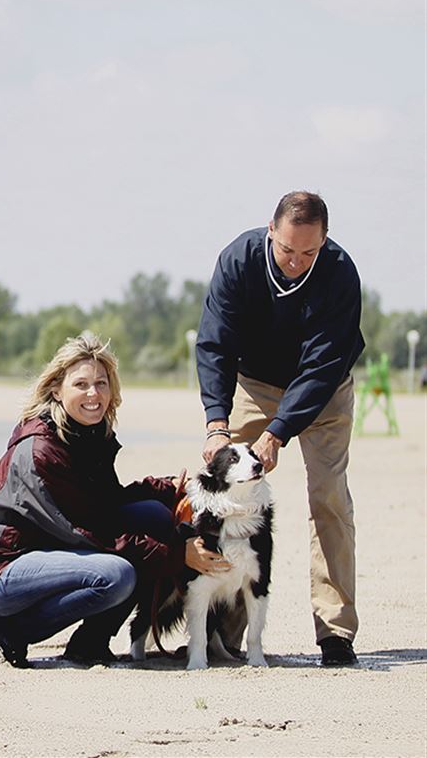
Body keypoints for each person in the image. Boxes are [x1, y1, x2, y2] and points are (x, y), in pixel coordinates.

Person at [0, 334, 227, 667]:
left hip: (49, 546)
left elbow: (104, 504)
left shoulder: (89, 432)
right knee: (117, 574)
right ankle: (9, 632)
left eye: (101, 383)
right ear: (57, 389)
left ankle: (89, 645)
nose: (93, 394)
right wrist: (177, 555)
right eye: (81, 384)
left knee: (155, 517)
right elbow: (93, 534)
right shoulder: (43, 450)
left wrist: (163, 489)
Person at [196, 190, 364, 667]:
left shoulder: (340, 272)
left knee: (328, 495)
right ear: (271, 232)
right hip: (255, 382)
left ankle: (335, 632)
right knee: (226, 493)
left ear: (324, 242)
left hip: (324, 390)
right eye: (287, 250)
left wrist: (279, 433)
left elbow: (322, 365)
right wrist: (216, 423)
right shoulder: (238, 261)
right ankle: (221, 628)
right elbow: (214, 344)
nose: (295, 262)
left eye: (308, 252)